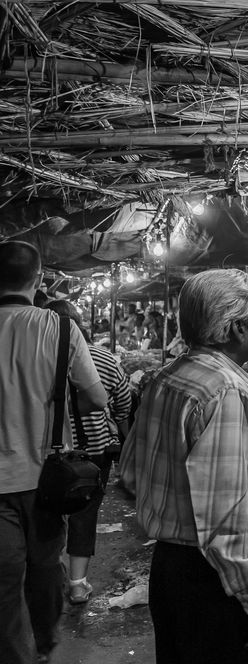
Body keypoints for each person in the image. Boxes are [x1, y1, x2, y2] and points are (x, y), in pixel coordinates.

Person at [119, 269, 248, 664]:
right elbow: (226, 520)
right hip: (213, 583)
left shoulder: (169, 376)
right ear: (236, 328)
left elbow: (130, 471)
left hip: (171, 569)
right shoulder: (224, 392)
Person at [0, 241, 108, 664]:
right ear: (39, 278)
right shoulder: (59, 328)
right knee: (45, 566)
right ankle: (43, 644)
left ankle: (17, 655)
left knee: (4, 579)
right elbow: (97, 399)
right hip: (45, 477)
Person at [45, 300, 131, 605]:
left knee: (48, 511)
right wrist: (123, 429)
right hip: (92, 453)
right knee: (84, 512)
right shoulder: (104, 358)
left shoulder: (39, 356)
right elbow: (122, 398)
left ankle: (48, 575)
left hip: (47, 451)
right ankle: (78, 584)